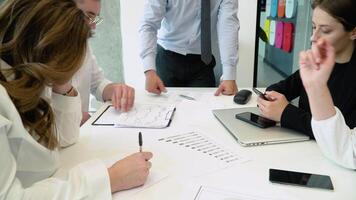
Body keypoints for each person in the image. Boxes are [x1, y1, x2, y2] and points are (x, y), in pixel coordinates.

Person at [0, 0, 153, 199]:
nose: (92, 24)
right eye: (87, 16)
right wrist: (110, 179)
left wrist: (62, 81)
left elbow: (63, 141)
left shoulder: (31, 67)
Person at [257, 0, 356, 139]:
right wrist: (271, 102)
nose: (313, 37)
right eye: (314, 27)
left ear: (353, 32)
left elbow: (344, 136)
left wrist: (286, 113)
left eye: (326, 30)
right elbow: (278, 89)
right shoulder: (317, 61)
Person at [139, 0, 239, 96]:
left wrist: (229, 76)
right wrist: (149, 71)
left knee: (202, 109)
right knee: (164, 109)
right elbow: (148, 25)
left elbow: (228, 25)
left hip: (203, 63)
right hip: (167, 59)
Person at [74, 0, 135, 125]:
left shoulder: (83, 45)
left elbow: (97, 83)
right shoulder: (40, 48)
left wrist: (116, 90)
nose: (94, 26)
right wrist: (74, 117)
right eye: (90, 16)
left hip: (77, 134)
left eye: (96, 19)